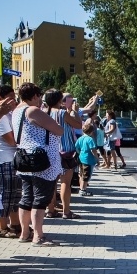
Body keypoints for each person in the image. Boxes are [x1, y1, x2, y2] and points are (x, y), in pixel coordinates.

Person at [11, 83, 63, 246]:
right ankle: (38, 236)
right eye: (39, 96)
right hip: (41, 162)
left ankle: (25, 233)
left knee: (26, 198)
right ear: (33, 96)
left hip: (24, 159)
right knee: (40, 200)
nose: (40, 99)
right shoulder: (32, 110)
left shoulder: (16, 111)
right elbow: (58, 130)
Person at [44, 89, 83, 219]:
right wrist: (74, 111)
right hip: (65, 151)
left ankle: (50, 209)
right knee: (65, 182)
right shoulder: (62, 113)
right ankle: (66, 211)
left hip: (49, 150)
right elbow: (78, 125)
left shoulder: (44, 112)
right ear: (59, 100)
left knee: (51, 182)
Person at [0, 86, 21, 238]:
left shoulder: (5, 114)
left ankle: (15, 225)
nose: (13, 100)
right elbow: (10, 140)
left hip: (8, 159)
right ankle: (1, 227)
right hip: (0, 159)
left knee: (14, 194)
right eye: (10, 97)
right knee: (4, 195)